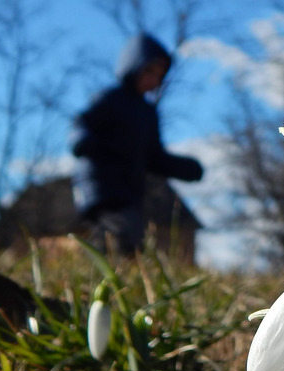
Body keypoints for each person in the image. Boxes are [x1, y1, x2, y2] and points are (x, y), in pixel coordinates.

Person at [70, 32, 203, 254]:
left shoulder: (148, 113)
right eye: (149, 71)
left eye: (159, 75)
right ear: (134, 65)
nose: (153, 79)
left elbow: (153, 156)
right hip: (102, 184)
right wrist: (81, 140)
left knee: (124, 235)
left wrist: (184, 168)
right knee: (123, 234)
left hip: (129, 189)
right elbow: (82, 123)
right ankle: (109, 269)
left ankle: (102, 268)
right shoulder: (110, 99)